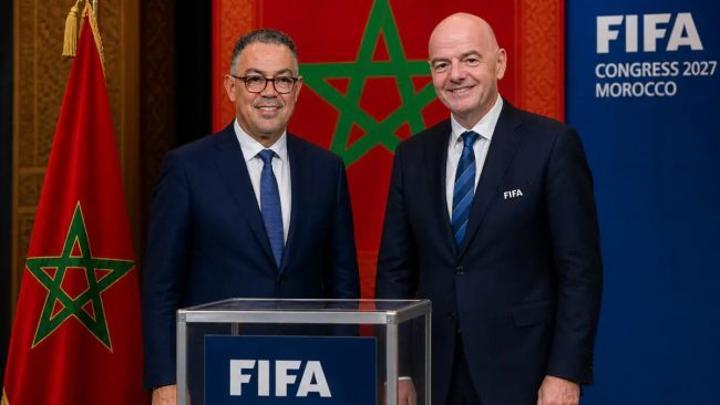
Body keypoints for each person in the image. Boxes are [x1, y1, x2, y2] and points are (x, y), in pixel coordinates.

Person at [376, 13, 603, 405]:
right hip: (433, 374)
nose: (456, 75)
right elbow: (395, 271)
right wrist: (398, 369)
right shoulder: (411, 156)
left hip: (525, 374)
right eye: (442, 65)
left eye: (470, 59)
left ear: (499, 63)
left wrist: (565, 372)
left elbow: (580, 271)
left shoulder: (551, 145)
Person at [142, 29, 360, 404]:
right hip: (213, 374)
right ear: (231, 87)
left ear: (298, 89)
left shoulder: (327, 170)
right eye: (255, 79)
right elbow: (161, 285)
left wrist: (342, 368)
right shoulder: (187, 168)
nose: (269, 92)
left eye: (283, 80)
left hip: (308, 376)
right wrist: (166, 379)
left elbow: (343, 285)